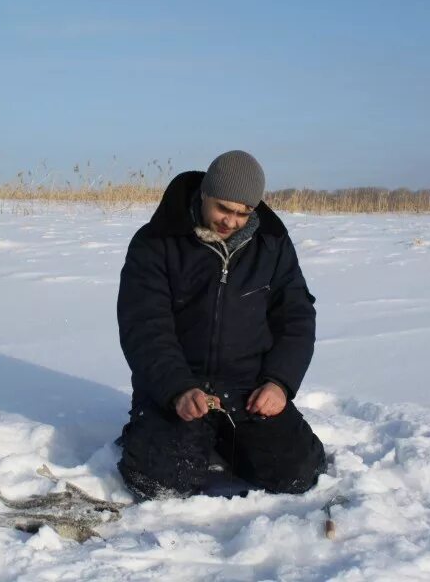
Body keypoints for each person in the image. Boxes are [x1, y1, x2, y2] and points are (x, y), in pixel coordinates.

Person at [116, 150, 326, 500]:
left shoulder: (272, 245)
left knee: (297, 475)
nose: (232, 221)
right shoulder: (157, 241)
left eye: (244, 213)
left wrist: (278, 382)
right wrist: (177, 389)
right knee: (163, 483)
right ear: (204, 195)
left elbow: (296, 317)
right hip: (178, 387)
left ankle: (228, 442)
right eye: (224, 209)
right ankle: (154, 429)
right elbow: (144, 326)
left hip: (247, 389)